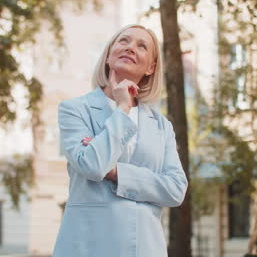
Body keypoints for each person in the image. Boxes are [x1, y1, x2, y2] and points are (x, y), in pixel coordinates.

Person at [53, 24, 188, 257]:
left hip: (145, 248)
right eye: (123, 41)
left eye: (141, 46)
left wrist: (117, 173)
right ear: (108, 56)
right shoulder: (75, 110)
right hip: (89, 245)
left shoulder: (160, 124)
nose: (130, 48)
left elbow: (176, 189)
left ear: (151, 68)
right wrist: (123, 107)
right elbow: (93, 165)